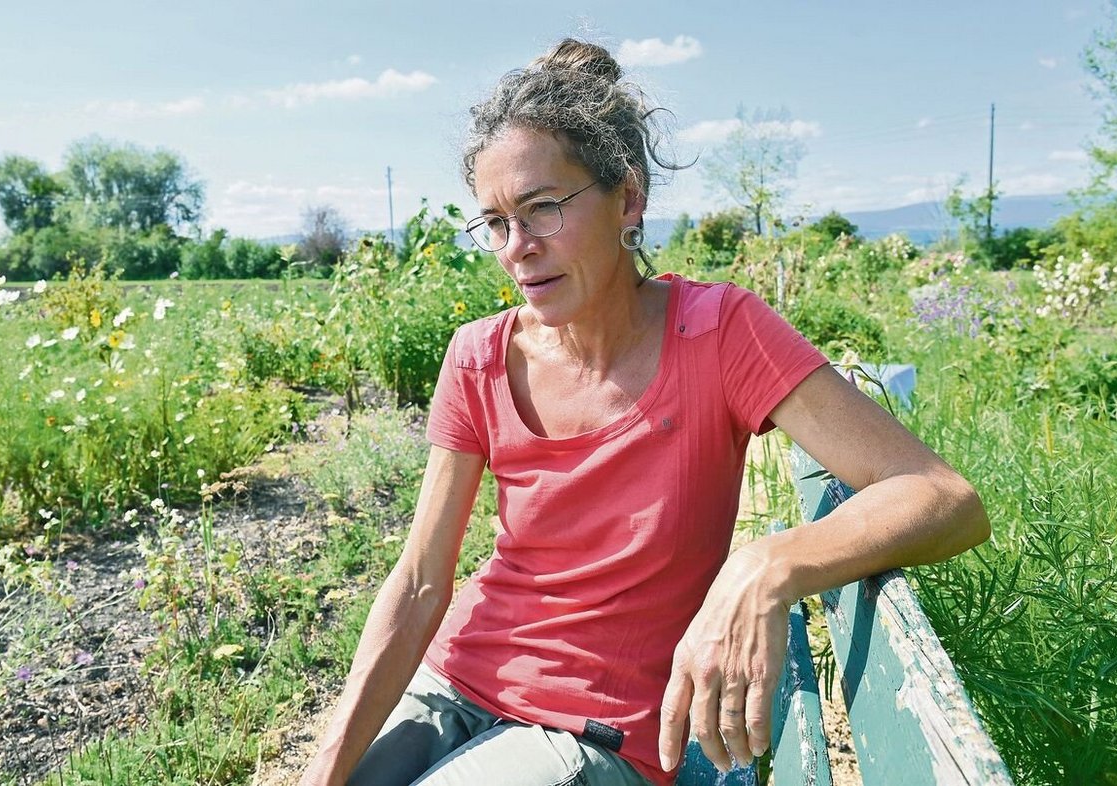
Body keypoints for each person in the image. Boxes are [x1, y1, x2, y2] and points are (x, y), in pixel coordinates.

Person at [300, 37, 990, 786]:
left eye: (542, 209)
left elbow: (944, 499)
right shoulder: (478, 354)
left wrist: (768, 563)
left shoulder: (720, 333)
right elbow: (421, 582)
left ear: (627, 199)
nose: (516, 249)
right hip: (456, 677)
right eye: (495, 221)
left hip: (590, 730)